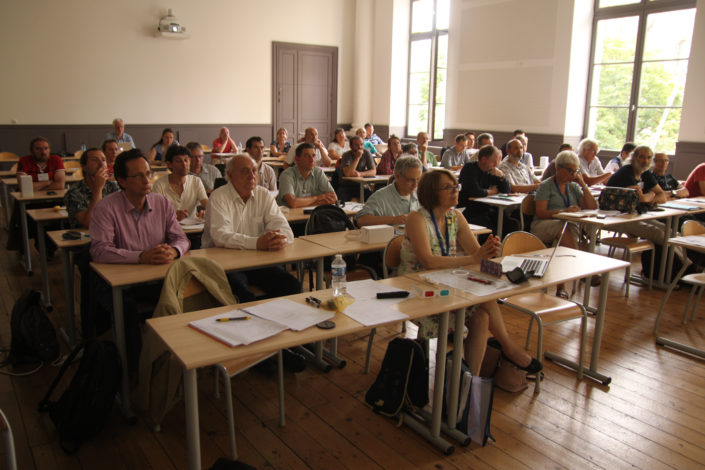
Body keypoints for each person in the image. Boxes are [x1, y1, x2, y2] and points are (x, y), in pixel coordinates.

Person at [398, 169, 542, 376]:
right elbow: (428, 261)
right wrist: (475, 258)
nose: (455, 191)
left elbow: (477, 255)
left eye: (456, 186)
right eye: (448, 187)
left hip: (445, 282)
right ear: (431, 192)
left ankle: (469, 381)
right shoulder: (416, 218)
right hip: (416, 289)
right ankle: (509, 348)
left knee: (482, 317)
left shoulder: (455, 217)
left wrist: (490, 251)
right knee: (484, 300)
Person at [90, 149, 190, 372]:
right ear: (122, 181)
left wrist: (174, 251)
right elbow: (99, 250)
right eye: (138, 176)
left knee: (186, 296)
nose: (147, 180)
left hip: (155, 277)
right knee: (127, 311)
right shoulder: (106, 208)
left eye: (149, 173)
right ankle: (137, 372)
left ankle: (178, 360)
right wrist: (140, 257)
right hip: (116, 284)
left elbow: (180, 238)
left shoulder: (161, 203)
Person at [202, 154, 300, 302]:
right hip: (225, 263)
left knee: (292, 286)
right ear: (230, 175)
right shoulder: (218, 197)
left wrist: (278, 239)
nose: (251, 176)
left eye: (254, 171)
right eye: (244, 171)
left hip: (257, 260)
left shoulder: (264, 194)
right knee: (241, 294)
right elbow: (220, 236)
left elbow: (284, 229)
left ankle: (270, 318)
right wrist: (257, 243)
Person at [531, 150, 597, 298]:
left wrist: (583, 184)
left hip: (566, 229)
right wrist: (563, 211)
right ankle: (582, 269)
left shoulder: (573, 187)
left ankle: (561, 288)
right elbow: (541, 212)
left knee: (560, 242)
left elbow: (592, 207)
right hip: (543, 225)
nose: (573, 175)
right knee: (564, 229)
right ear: (558, 168)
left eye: (576, 171)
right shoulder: (546, 185)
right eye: (570, 171)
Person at [606, 145, 674, 267]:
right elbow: (639, 199)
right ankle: (682, 268)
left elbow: (662, 196)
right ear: (634, 158)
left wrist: (648, 197)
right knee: (659, 234)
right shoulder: (626, 173)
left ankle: (682, 268)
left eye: (649, 158)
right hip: (617, 218)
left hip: (636, 215)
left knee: (670, 232)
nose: (645, 161)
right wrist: (651, 195)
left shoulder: (645, 173)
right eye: (642, 157)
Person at [457, 145, 518, 236]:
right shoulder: (469, 168)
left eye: (498, 161)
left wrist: (501, 176)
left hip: (487, 208)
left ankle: (506, 248)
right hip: (470, 210)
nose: (496, 164)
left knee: (510, 225)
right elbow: (475, 191)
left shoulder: (492, 171)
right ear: (484, 159)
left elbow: (506, 191)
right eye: (494, 161)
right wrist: (491, 192)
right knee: (490, 229)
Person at [356, 156, 422, 227]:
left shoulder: (420, 194)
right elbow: (361, 220)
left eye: (418, 179)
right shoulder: (381, 197)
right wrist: (394, 219)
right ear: (397, 176)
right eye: (410, 180)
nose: (415, 185)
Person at [64, 148, 120, 228]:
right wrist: (98, 189)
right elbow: (90, 223)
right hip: (84, 238)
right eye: (94, 160)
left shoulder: (113, 187)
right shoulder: (74, 193)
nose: (101, 164)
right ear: (84, 167)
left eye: (104, 160)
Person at [152, 146, 208, 221]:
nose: (184, 164)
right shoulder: (159, 185)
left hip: (193, 229)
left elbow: (207, 205)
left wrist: (206, 212)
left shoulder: (196, 181)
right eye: (178, 161)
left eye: (186, 160)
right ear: (169, 164)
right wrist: (173, 215)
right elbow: (156, 213)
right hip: (168, 228)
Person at [278, 142, 337, 208]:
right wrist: (318, 198)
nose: (312, 160)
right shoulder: (287, 175)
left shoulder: (318, 172)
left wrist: (304, 203)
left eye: (313, 156)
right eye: (307, 156)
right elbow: (293, 203)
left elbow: (333, 198)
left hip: (312, 214)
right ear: (297, 159)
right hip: (287, 216)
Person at [338, 135, 377, 201]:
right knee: (342, 197)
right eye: (357, 145)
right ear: (351, 147)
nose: (360, 147)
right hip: (346, 185)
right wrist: (357, 158)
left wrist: (360, 174)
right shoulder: (346, 155)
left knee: (372, 198)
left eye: (361, 144)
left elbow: (373, 171)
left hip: (360, 185)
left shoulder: (366, 153)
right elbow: (348, 173)